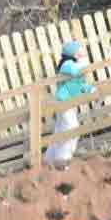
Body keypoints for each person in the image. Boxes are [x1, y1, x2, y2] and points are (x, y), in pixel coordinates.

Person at [43, 40, 95, 168]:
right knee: (72, 129)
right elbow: (75, 71)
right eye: (80, 49)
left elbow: (76, 84)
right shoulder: (66, 64)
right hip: (63, 102)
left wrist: (89, 89)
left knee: (60, 130)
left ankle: (48, 160)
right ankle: (63, 160)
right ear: (74, 53)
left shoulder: (73, 64)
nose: (83, 50)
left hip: (67, 103)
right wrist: (84, 61)